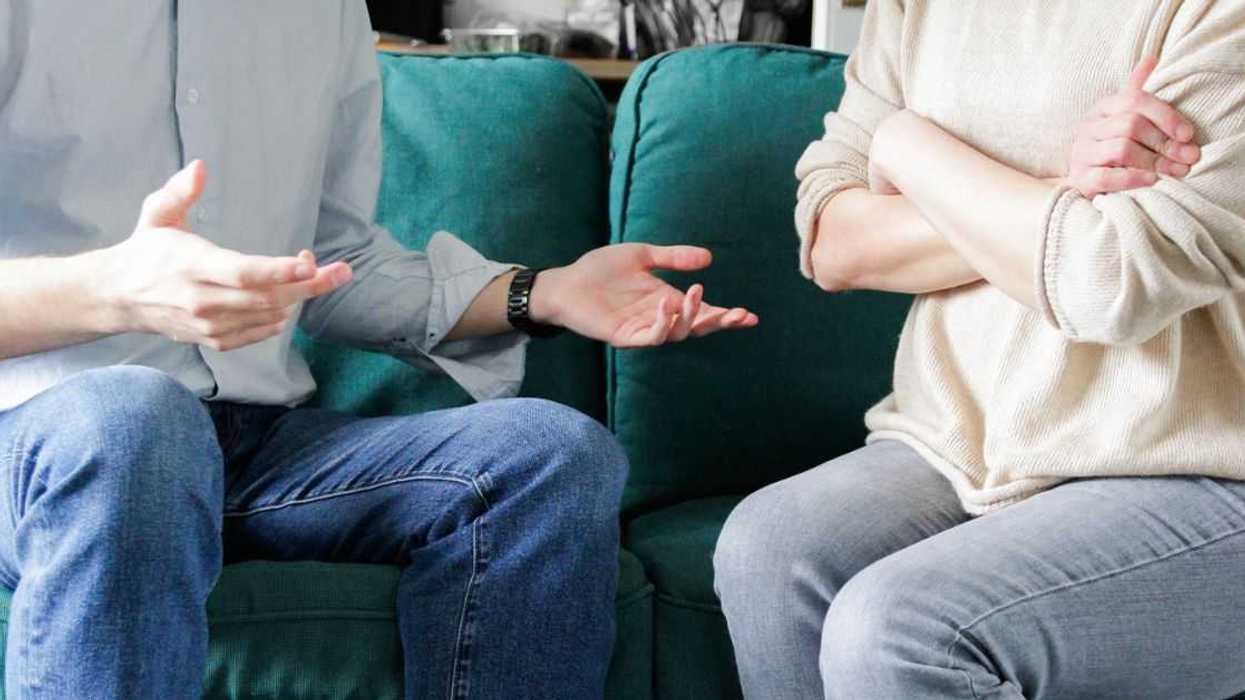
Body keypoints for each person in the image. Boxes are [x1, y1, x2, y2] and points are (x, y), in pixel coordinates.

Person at [0, 3, 760, 699]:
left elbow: (335, 263)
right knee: (132, 421)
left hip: (254, 444)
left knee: (552, 454)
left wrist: (543, 292)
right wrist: (113, 290)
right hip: (43, 442)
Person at [714, 1, 1245, 698]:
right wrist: (1066, 189)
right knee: (768, 547)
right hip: (961, 444)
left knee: (900, 628)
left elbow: (1110, 279)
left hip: (1200, 456)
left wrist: (905, 145)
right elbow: (833, 243)